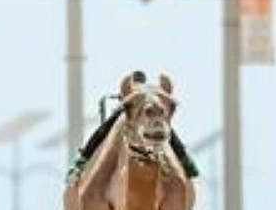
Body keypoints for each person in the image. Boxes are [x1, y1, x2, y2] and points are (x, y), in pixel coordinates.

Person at [67, 71, 198, 181]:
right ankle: (185, 161)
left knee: (163, 129)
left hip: (142, 118)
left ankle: (83, 160)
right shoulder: (142, 90)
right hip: (132, 115)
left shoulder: (144, 90)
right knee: (107, 127)